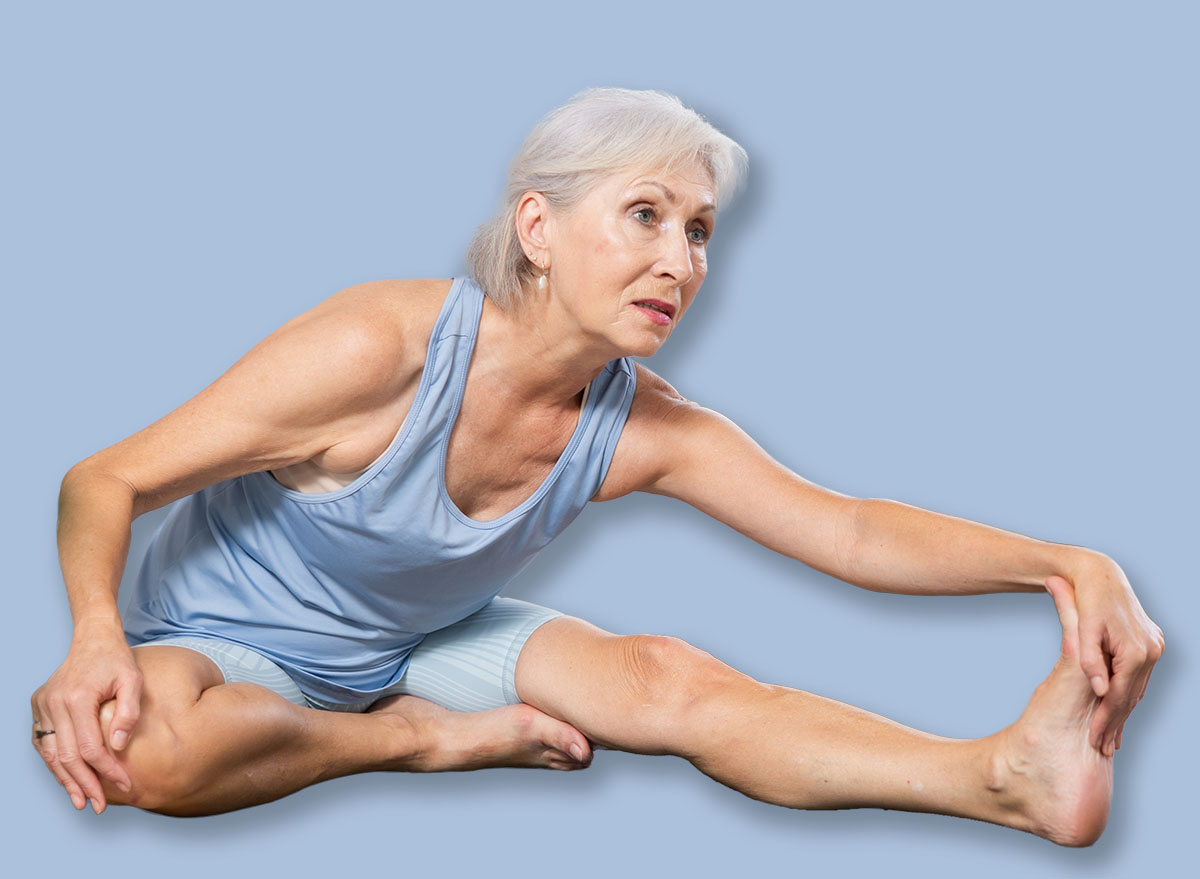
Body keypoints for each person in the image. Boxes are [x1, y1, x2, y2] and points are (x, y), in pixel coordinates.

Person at [32, 87, 1162, 845]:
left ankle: (1002, 777)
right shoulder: (378, 350)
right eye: (645, 215)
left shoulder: (643, 428)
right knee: (147, 754)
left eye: (702, 230)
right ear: (538, 227)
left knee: (673, 682)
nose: (680, 259)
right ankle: (416, 745)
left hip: (416, 636)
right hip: (226, 649)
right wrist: (92, 637)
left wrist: (1063, 564)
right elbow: (104, 480)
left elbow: (852, 531)